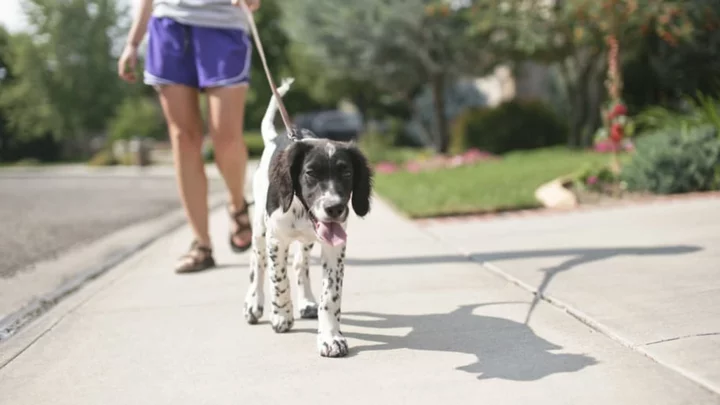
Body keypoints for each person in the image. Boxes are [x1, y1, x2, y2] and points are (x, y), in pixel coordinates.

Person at [118, 0, 260, 273]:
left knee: (226, 138)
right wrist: (133, 42)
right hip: (168, 25)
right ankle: (202, 244)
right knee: (184, 139)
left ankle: (237, 204)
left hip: (223, 24)